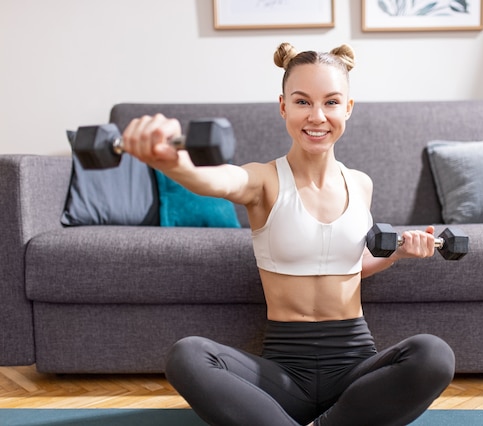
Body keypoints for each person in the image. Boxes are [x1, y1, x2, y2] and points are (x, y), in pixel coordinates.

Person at [121, 42, 455, 426]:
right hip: (282, 377)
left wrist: (397, 254)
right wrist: (174, 162)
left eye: (331, 102)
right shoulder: (263, 180)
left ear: (348, 108)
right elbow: (214, 179)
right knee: (187, 355)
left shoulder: (360, 183)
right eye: (302, 102)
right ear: (283, 106)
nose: (317, 116)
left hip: (354, 370)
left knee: (434, 354)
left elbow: (349, 264)